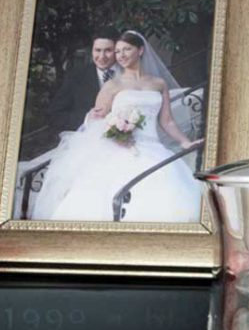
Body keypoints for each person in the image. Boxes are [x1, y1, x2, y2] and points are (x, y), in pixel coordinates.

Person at [31, 30, 204, 223]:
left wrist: (185, 142)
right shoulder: (112, 85)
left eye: (126, 50)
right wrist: (116, 131)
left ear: (140, 50)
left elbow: (167, 121)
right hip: (119, 148)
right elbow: (98, 119)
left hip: (153, 149)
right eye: (118, 51)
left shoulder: (158, 83)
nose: (120, 55)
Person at [47, 30, 119, 139]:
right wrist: (86, 118)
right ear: (92, 51)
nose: (102, 56)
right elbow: (54, 115)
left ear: (117, 51)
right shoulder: (76, 76)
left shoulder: (131, 75)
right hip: (85, 143)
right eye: (97, 50)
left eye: (108, 50)